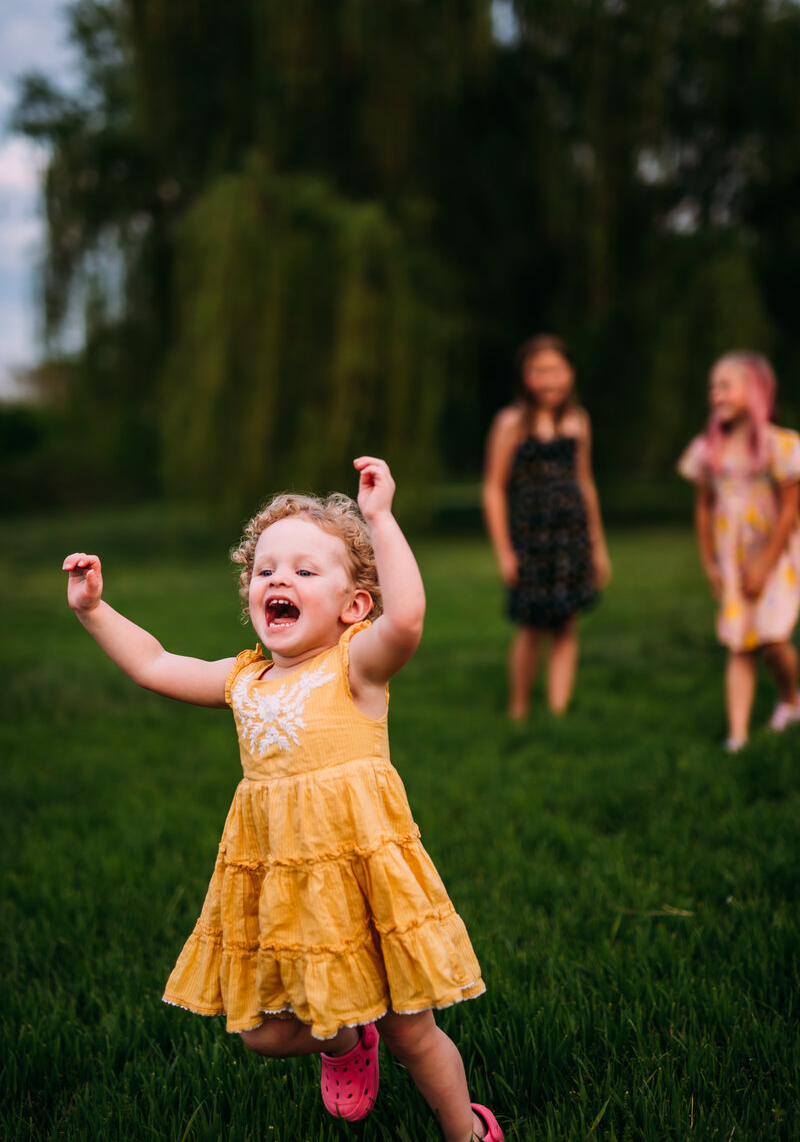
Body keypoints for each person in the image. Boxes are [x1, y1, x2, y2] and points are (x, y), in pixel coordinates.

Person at [62, 456, 503, 1142]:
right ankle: (345, 1043)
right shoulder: (244, 680)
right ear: (251, 596)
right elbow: (154, 664)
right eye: (266, 569)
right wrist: (94, 610)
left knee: (414, 1032)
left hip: (365, 880)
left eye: (304, 570)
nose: (279, 579)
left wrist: (380, 519)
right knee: (262, 1033)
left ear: (353, 605)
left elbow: (409, 619)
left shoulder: (356, 665)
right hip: (288, 886)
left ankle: (465, 1130)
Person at [482, 335, 611, 720]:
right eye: (539, 371)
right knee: (531, 625)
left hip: (570, 538)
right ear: (526, 377)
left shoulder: (578, 421)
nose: (549, 379)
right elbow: (492, 489)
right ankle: (518, 710)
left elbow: (585, 483)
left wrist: (598, 545)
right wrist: (504, 552)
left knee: (566, 624)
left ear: (570, 373)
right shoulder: (511, 423)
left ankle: (558, 712)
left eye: (556, 370)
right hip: (530, 540)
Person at [678, 351, 800, 753]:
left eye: (726, 385)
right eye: (713, 387)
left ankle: (791, 698)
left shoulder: (780, 446)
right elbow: (703, 507)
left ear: (756, 389)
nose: (716, 394)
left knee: (773, 640)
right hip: (733, 562)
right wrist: (709, 563)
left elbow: (789, 511)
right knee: (740, 643)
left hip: (777, 558)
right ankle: (738, 736)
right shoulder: (709, 450)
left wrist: (766, 564)